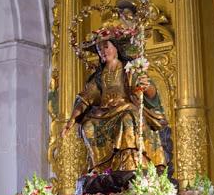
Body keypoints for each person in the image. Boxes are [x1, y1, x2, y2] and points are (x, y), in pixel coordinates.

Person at [61, 25, 167, 174]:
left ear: (116, 48)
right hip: (103, 114)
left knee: (127, 119)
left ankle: (130, 163)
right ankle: (101, 168)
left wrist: (146, 85)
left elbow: (150, 93)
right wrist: (71, 120)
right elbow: (85, 98)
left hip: (126, 110)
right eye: (99, 49)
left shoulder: (130, 69)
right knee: (88, 126)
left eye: (106, 47)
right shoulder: (99, 76)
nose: (103, 52)